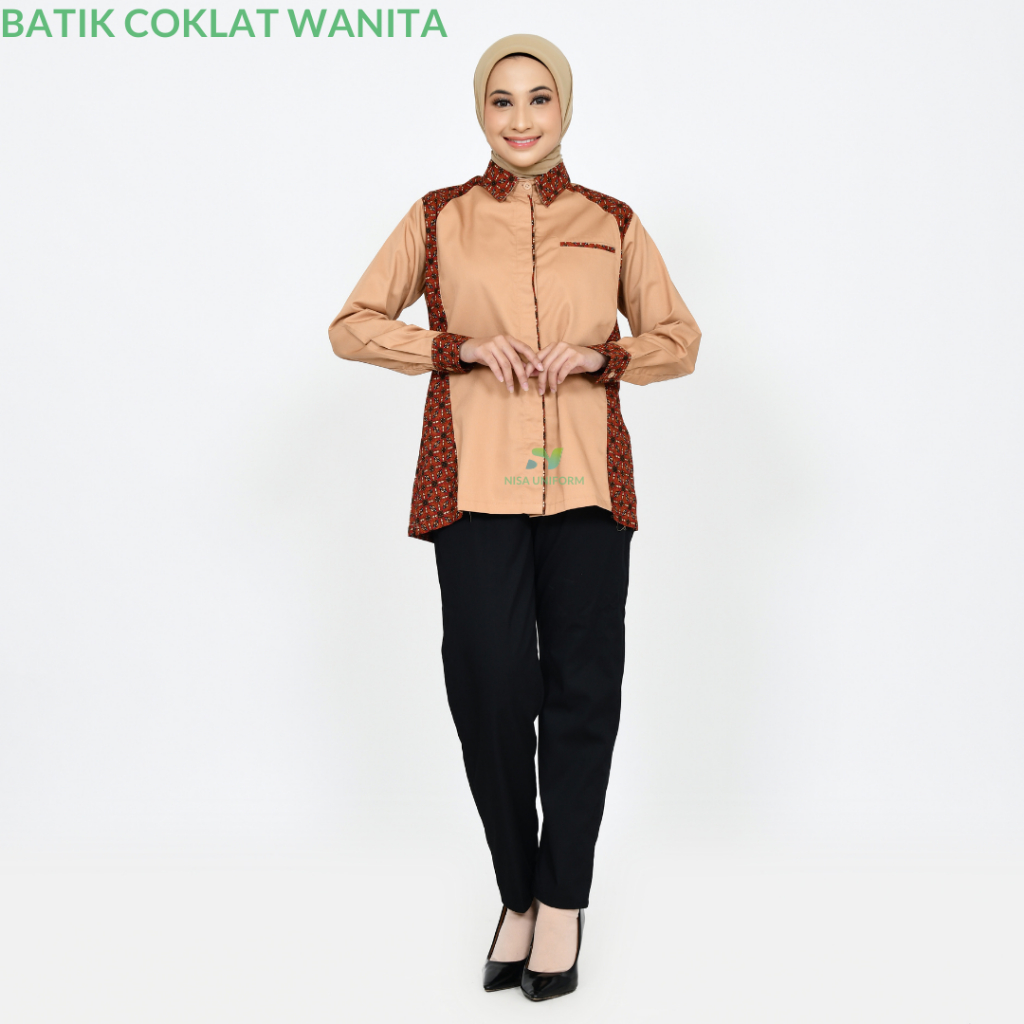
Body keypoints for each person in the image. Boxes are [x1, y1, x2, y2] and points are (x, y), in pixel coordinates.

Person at [328, 33, 701, 1001]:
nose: (522, 118)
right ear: (480, 111)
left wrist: (602, 357)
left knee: (584, 691)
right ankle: (517, 888)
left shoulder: (611, 221)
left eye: (540, 98)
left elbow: (679, 339)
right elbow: (351, 325)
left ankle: (561, 899)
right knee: (489, 686)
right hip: (473, 486)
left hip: (585, 485)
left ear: (564, 108)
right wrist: (452, 346)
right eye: (503, 100)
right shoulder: (438, 217)